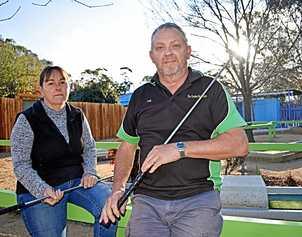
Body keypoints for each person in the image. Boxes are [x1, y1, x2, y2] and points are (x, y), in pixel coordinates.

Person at [100, 23, 249, 237]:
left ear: (188, 51)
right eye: (160, 48)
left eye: (175, 45)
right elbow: (127, 146)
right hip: (147, 200)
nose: (168, 53)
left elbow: (239, 144)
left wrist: (179, 149)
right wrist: (118, 189)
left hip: (198, 198)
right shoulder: (141, 96)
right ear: (152, 55)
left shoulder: (212, 89)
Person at [10, 66, 116, 237]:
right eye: (51, 83)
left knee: (111, 204)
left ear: (69, 87)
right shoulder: (27, 119)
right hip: (39, 188)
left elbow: (89, 147)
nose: (58, 87)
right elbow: (21, 165)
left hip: (78, 181)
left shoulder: (77, 115)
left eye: (62, 82)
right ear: (41, 90)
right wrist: (42, 190)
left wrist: (90, 172)